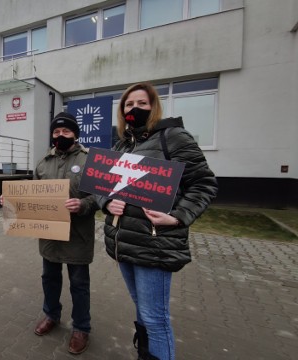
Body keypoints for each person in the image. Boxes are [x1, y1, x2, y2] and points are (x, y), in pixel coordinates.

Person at [98, 83, 218, 360]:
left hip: (155, 243)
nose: (134, 109)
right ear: (121, 111)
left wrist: (177, 217)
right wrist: (106, 201)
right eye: (129, 105)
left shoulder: (174, 137)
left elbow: (203, 184)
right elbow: (104, 186)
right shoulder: (121, 144)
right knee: (142, 310)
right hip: (123, 243)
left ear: (154, 107)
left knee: (155, 318)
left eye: (141, 103)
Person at [1, 112, 98, 355]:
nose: (61, 136)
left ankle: (81, 327)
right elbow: (31, 196)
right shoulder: (43, 163)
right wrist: (11, 201)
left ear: (75, 134)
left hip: (78, 234)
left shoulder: (89, 161)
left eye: (66, 132)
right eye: (56, 132)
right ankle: (51, 314)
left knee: (79, 283)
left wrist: (83, 204)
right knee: (50, 278)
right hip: (50, 234)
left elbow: (100, 196)